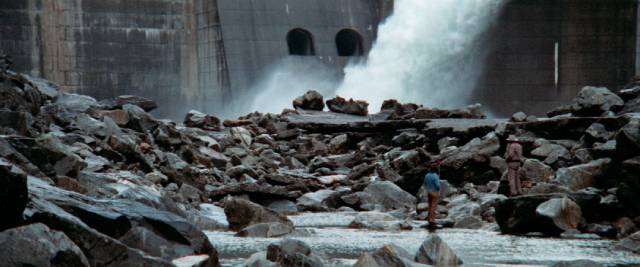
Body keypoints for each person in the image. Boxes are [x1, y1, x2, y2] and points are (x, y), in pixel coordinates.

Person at [423, 161, 441, 228]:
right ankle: (432, 220)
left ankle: (429, 220)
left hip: (428, 192)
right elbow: (438, 186)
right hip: (435, 192)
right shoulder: (435, 176)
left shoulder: (427, 175)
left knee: (430, 206)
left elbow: (424, 184)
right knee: (433, 207)